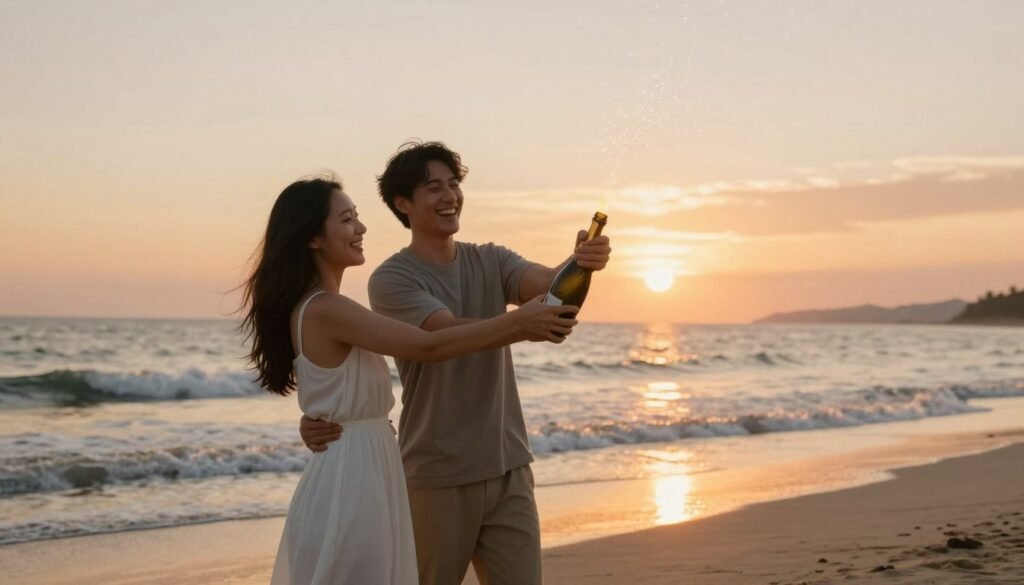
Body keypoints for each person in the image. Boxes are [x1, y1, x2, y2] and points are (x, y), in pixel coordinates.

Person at [239, 176, 577, 585]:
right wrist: (519, 323)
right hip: (353, 477)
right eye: (347, 220)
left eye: (357, 217)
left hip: (362, 463)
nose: (361, 229)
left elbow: (335, 390)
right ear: (312, 238)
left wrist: (322, 419)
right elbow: (428, 345)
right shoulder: (328, 308)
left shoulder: (327, 308)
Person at [300, 142, 612, 585]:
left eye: (454, 185)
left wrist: (580, 261)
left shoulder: (491, 258)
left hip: (509, 466)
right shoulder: (392, 278)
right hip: (437, 475)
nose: (449, 196)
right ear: (402, 204)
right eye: (434, 188)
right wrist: (521, 323)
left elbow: (548, 288)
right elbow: (438, 335)